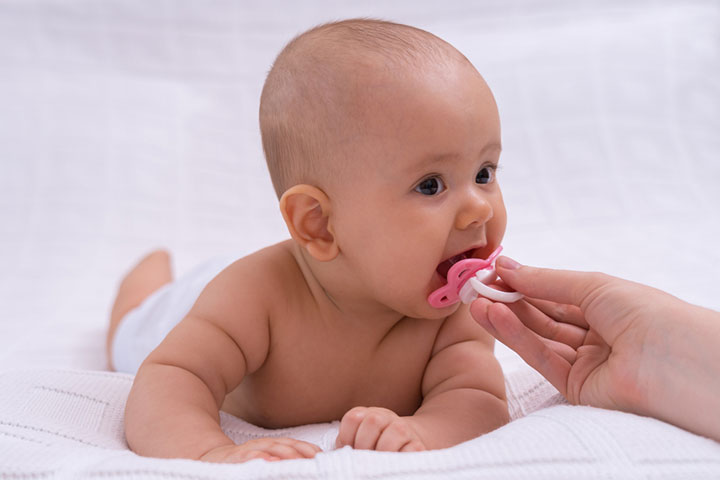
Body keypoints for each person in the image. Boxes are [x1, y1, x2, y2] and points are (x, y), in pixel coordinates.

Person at [106, 19, 511, 463]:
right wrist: (211, 453)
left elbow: (478, 399)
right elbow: (170, 377)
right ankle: (145, 274)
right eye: (431, 185)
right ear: (319, 224)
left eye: (484, 173)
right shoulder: (254, 297)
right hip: (184, 308)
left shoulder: (456, 313)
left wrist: (422, 430)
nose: (480, 208)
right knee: (131, 326)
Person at [470, 256, 720, 442]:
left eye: (483, 181)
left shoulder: (463, 321)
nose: (480, 208)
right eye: (430, 187)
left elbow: (470, 402)